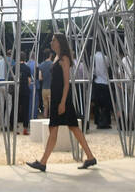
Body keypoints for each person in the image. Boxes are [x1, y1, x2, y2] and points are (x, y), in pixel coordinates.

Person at [27, 33, 97, 172]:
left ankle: (43, 162)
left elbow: (67, 83)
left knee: (62, 128)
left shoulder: (64, 58)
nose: (51, 42)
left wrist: (63, 102)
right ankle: (89, 157)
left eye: (53, 40)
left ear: (60, 42)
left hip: (62, 99)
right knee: (70, 128)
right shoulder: (58, 57)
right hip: (58, 98)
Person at [90, 45, 112, 129]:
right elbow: (108, 68)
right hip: (105, 82)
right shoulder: (106, 57)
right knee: (106, 104)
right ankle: (106, 121)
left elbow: (92, 69)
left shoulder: (93, 57)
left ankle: (98, 121)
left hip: (97, 82)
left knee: (97, 104)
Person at [38, 48, 54, 117]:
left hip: (44, 89)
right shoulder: (53, 64)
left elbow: (40, 78)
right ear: (50, 55)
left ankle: (45, 120)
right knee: (52, 107)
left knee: (45, 107)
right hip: (51, 89)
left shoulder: (41, 65)